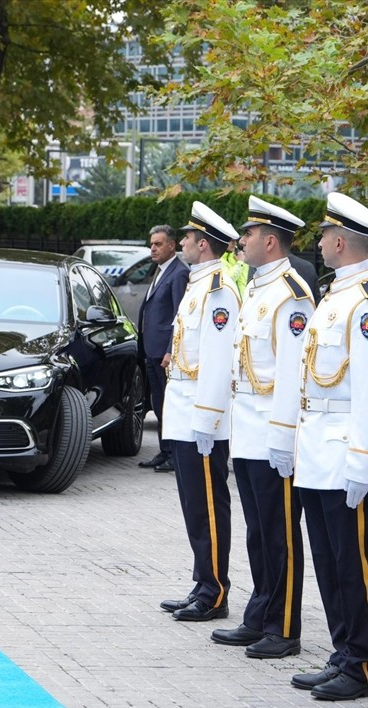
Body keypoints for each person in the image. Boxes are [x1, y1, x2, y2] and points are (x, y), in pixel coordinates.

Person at [288, 192, 368, 701]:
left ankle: (361, 662)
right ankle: (342, 651)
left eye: (323, 235)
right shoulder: (335, 297)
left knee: (353, 561)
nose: (317, 242)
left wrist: (364, 463)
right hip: (318, 449)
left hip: (347, 455)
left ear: (339, 241)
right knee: (330, 561)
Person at [211, 196, 313, 658]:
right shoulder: (257, 287)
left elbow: (292, 373)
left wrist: (284, 437)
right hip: (248, 427)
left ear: (270, 241)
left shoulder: (292, 295)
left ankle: (284, 624)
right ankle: (260, 613)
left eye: (248, 234)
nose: (240, 240)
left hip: (273, 429)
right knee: (257, 530)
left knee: (279, 532)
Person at [157, 202, 242, 623]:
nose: (183, 243)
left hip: (201, 418)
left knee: (208, 504)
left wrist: (208, 420)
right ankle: (202, 581)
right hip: (185, 412)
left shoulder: (218, 289)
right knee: (194, 503)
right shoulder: (198, 284)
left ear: (202, 244)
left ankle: (215, 591)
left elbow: (219, 356)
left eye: (188, 238)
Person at [136, 224, 189, 473]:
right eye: (151, 244)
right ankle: (164, 450)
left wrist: (171, 349)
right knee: (158, 403)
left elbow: (180, 315)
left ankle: (172, 454)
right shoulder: (160, 270)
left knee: (168, 404)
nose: (153, 248)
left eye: (158, 244)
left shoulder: (179, 273)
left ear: (172, 245)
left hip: (164, 353)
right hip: (151, 349)